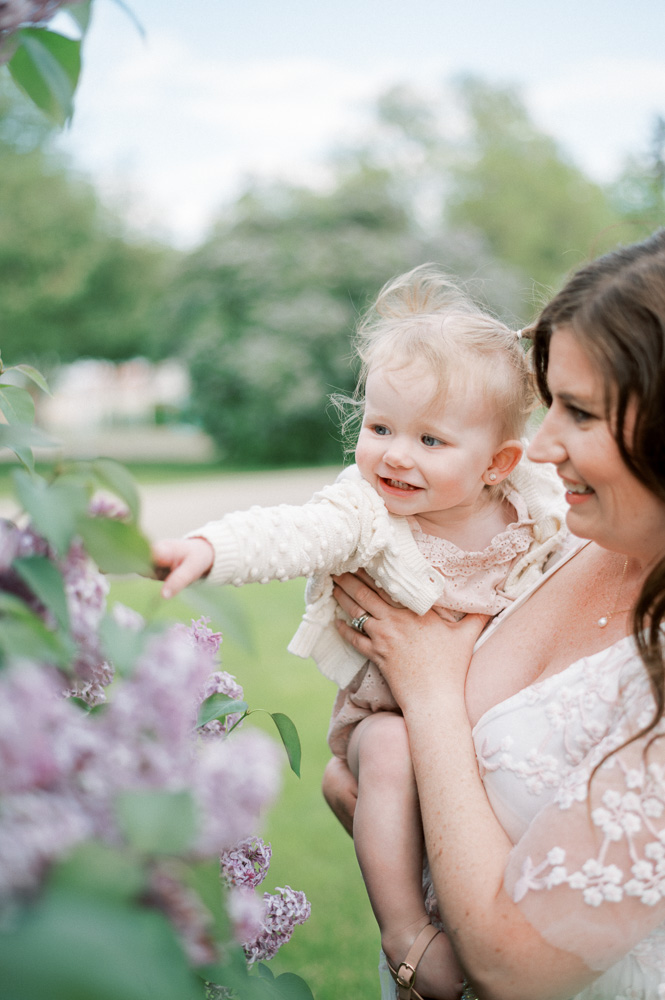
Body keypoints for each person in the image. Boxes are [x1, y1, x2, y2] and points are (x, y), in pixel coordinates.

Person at [152, 265, 568, 1000]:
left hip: (488, 706)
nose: (394, 454)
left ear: (498, 463)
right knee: (387, 753)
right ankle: (405, 927)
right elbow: (292, 531)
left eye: (430, 440)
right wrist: (209, 548)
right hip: (392, 709)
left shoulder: (532, 501)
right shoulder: (365, 513)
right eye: (379, 428)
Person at [327, 229, 665, 1000]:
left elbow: (517, 967)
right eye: (548, 402)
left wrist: (430, 688)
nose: (539, 448)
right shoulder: (571, 542)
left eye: (578, 413)